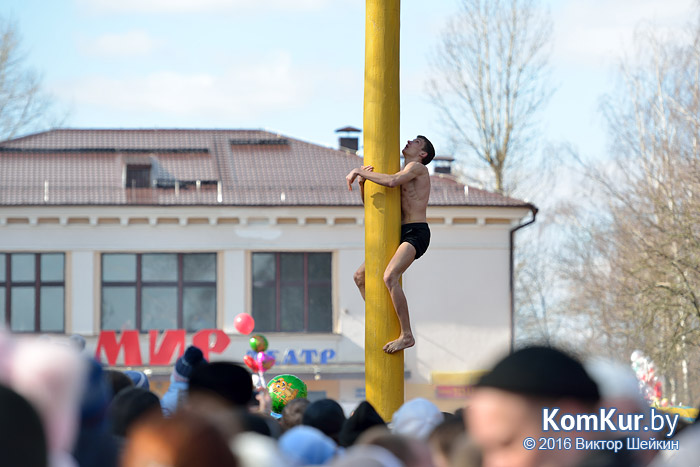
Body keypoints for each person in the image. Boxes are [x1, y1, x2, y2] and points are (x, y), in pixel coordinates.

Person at [345, 135, 436, 353]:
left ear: (422, 154)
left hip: (416, 232)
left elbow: (392, 182)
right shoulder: (402, 173)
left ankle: (407, 335)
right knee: (360, 277)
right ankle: (378, 318)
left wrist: (360, 170)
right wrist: (362, 184)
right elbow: (373, 207)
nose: (408, 141)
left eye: (415, 142)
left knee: (389, 276)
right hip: (399, 232)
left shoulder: (417, 168)